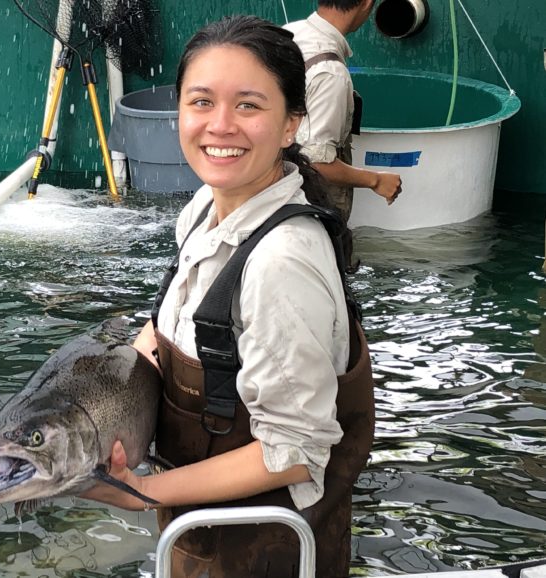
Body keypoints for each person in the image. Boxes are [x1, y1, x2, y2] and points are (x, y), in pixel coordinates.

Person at [81, 14, 375, 578]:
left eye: (248, 105)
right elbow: (163, 328)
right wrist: (97, 418)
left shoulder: (280, 262)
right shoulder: (203, 211)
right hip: (203, 538)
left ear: (291, 124)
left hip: (268, 554)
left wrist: (144, 490)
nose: (220, 125)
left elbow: (293, 452)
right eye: (200, 102)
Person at [285, 0, 403, 271]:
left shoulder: (291, 34)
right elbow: (316, 162)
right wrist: (375, 180)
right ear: (366, 4)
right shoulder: (331, 74)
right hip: (310, 214)